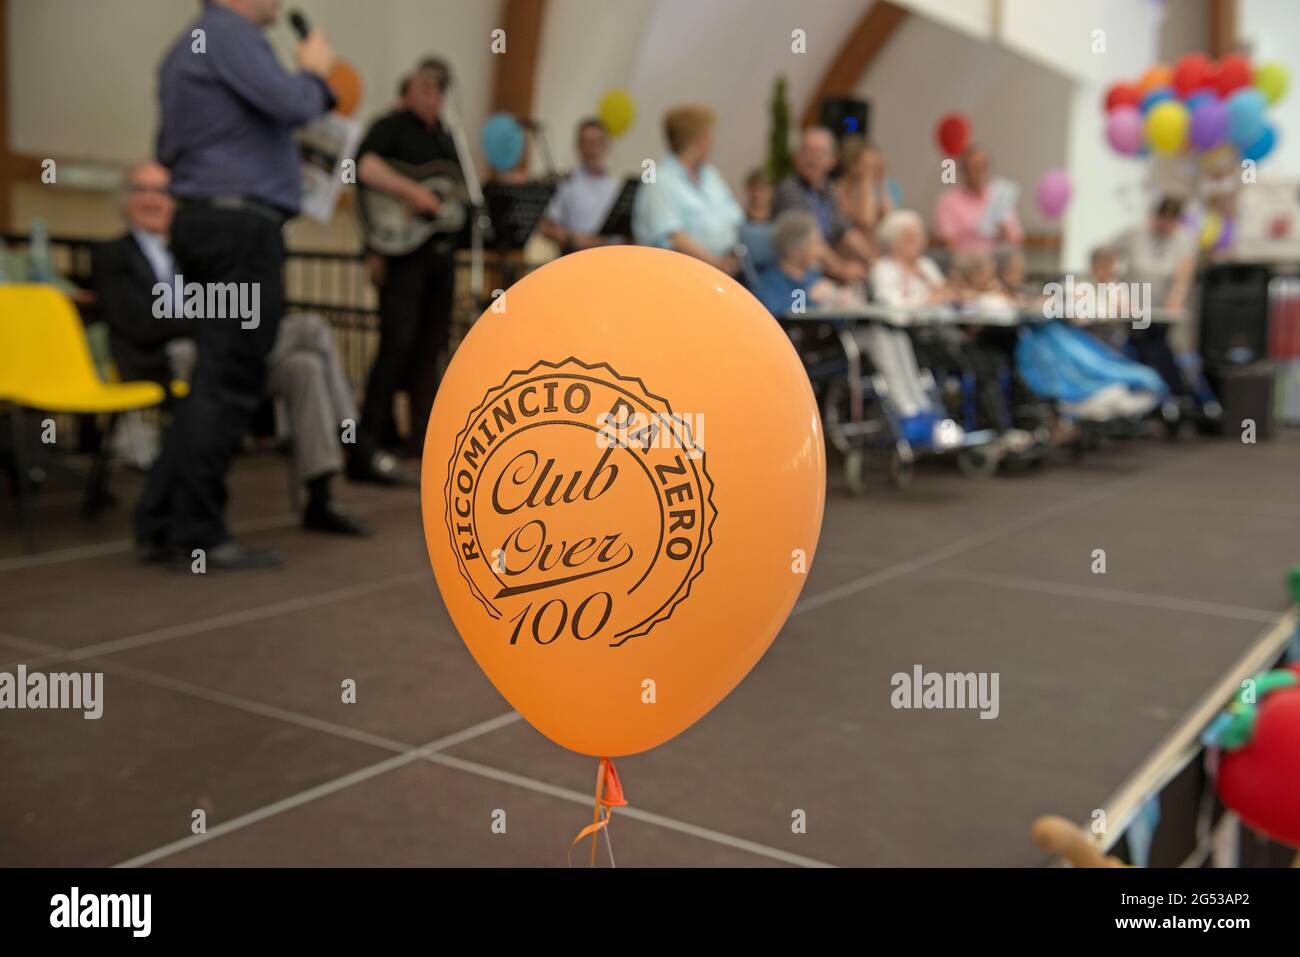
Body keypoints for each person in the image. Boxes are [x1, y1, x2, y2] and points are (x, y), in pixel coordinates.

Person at [95, 162, 404, 536]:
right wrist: (212, 321)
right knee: (310, 330)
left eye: (162, 191)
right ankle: (357, 444)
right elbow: (137, 322)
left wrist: (226, 318)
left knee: (303, 366)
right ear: (126, 200)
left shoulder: (191, 248)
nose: (153, 199)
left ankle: (321, 497)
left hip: (224, 348)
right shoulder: (111, 254)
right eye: (142, 190)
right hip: (172, 357)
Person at [138, 0, 337, 570]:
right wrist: (314, 72)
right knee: (228, 382)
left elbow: (169, 148)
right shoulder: (230, 35)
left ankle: (161, 518)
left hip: (206, 223)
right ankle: (198, 532)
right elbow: (292, 102)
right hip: (239, 233)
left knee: (212, 377)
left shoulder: (187, 47)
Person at [355, 57, 462, 459]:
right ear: (411, 90)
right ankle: (370, 436)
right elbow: (362, 167)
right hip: (404, 256)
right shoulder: (391, 128)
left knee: (432, 344)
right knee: (395, 342)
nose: (434, 98)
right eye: (427, 89)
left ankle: (423, 436)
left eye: (439, 91)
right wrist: (413, 194)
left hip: (440, 255)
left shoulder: (448, 139)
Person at [632, 104, 743, 275]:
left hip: (725, 269)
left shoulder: (711, 174)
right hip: (683, 275)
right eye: (708, 135)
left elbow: (735, 218)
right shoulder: (659, 180)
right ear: (695, 140)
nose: (712, 141)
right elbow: (673, 237)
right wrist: (717, 264)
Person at [1110, 195, 1199, 401]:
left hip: (1161, 309)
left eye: (1171, 221)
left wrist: (1177, 296)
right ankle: (1174, 394)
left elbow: (1183, 274)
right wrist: (1114, 291)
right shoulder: (1134, 234)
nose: (1165, 226)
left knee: (1155, 345)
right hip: (1133, 306)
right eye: (1162, 219)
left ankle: (1168, 393)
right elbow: (1106, 257)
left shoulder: (1182, 240)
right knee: (1147, 345)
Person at [771, 127, 873, 282]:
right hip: (798, 274)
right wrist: (842, 269)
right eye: (806, 151)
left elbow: (846, 231)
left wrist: (874, 261)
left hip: (821, 268)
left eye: (819, 153)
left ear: (833, 159)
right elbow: (811, 239)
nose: (812, 159)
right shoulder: (789, 190)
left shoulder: (828, 189)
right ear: (797, 156)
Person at [539, 118, 623, 252]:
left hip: (612, 257)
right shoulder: (565, 184)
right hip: (576, 256)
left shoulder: (617, 187)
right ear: (578, 147)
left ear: (606, 146)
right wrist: (573, 238)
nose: (591, 149)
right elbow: (546, 226)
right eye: (586, 143)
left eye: (596, 143)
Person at [752, 210, 849, 316]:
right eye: (816, 243)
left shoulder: (813, 277)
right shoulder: (768, 283)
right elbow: (775, 310)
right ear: (795, 249)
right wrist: (809, 298)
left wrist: (838, 301)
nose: (820, 251)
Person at [933, 144, 1024, 254]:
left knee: (1014, 259)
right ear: (963, 171)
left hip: (998, 259)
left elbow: (1017, 239)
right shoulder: (948, 201)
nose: (980, 173)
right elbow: (947, 243)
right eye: (975, 168)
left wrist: (1004, 233)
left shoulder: (999, 198)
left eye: (983, 167)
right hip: (966, 262)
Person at [836, 136, 896, 245]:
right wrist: (866, 178)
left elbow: (890, 219)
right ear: (852, 165)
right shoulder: (839, 191)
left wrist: (881, 180)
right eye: (869, 165)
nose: (874, 169)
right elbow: (866, 221)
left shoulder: (875, 187)